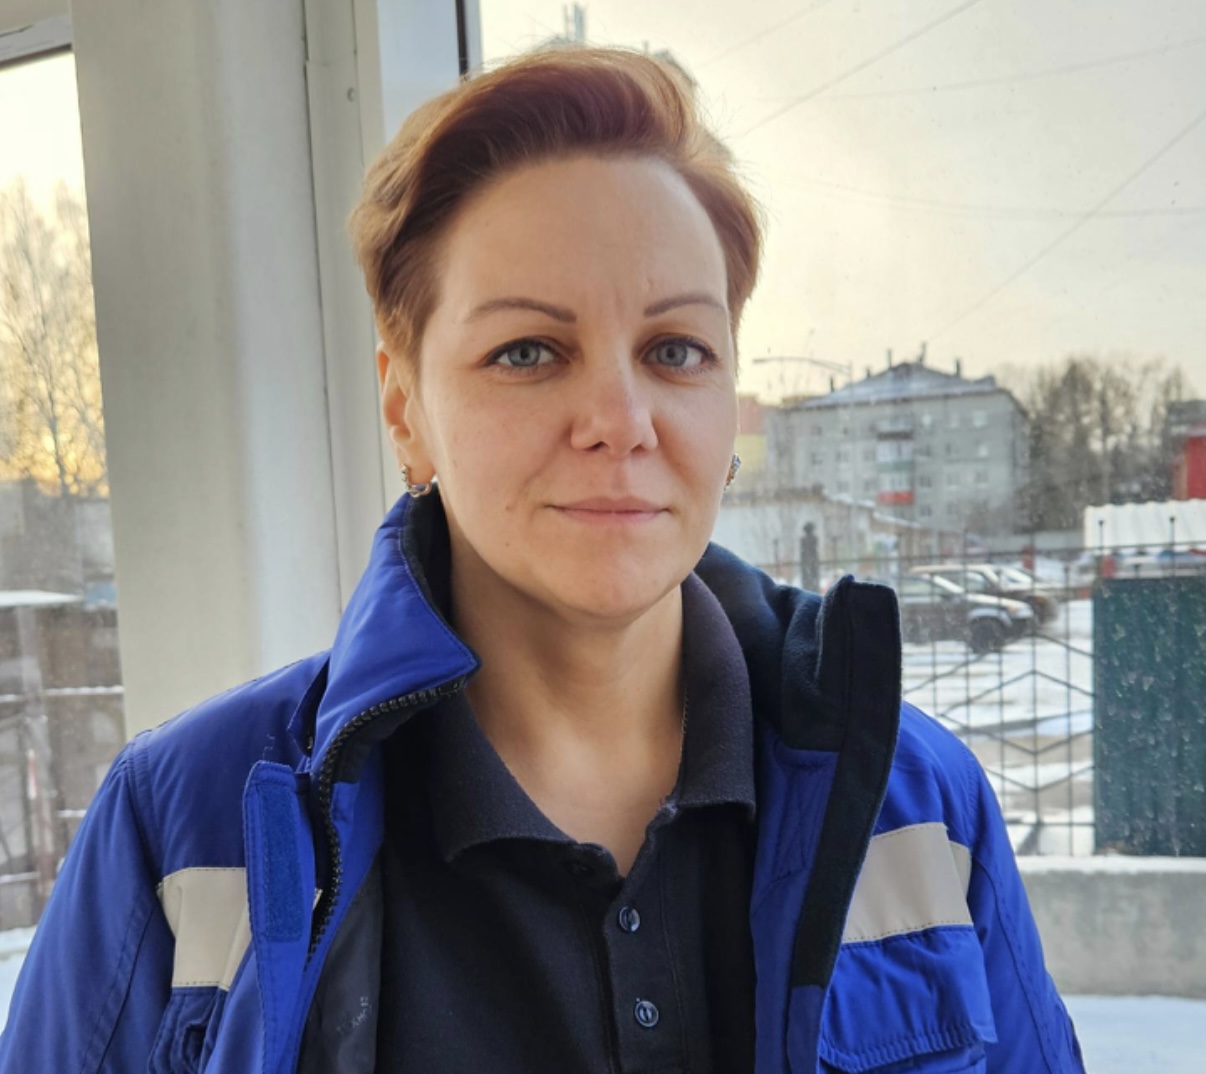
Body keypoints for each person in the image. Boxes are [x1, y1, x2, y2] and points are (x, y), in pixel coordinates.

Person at [0, 47, 1084, 1074]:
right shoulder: (182, 823)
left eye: (675, 351)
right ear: (405, 409)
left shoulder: (916, 800)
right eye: (527, 351)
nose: (621, 421)